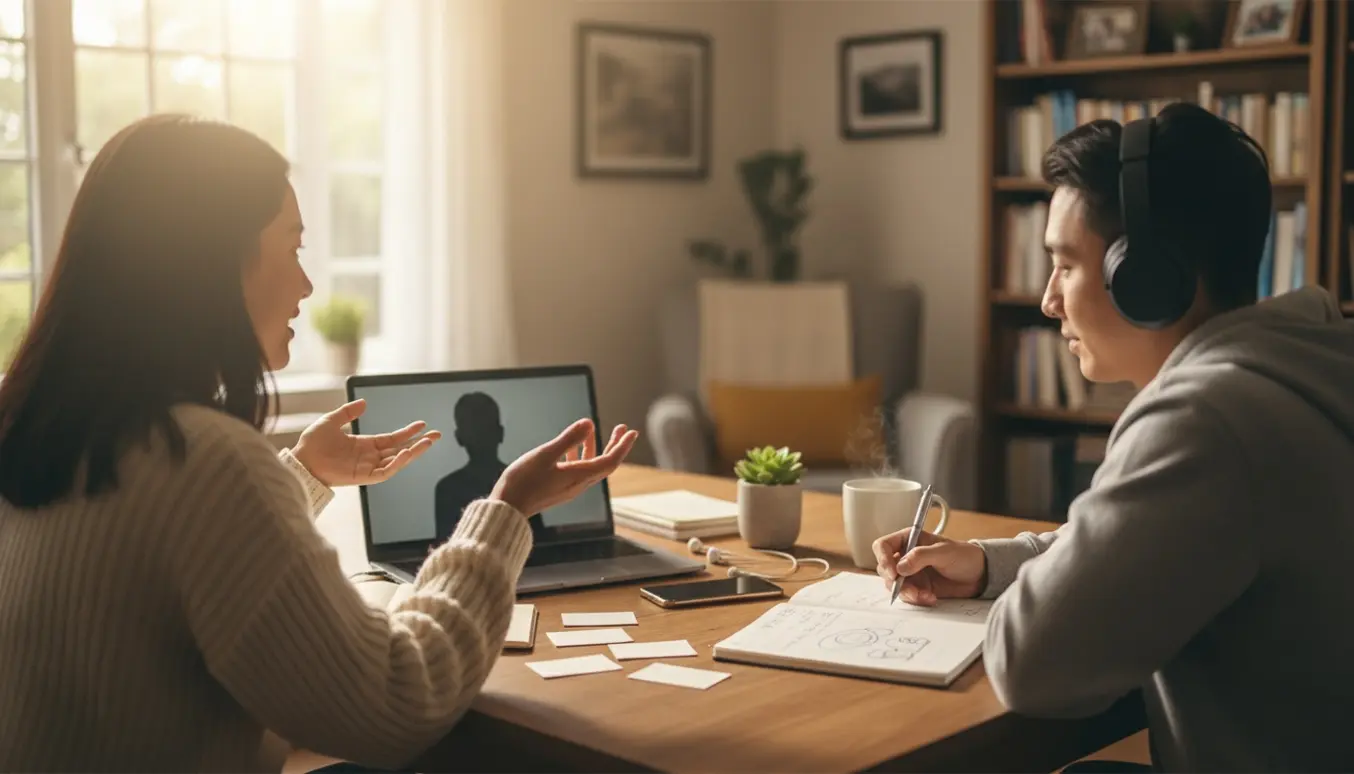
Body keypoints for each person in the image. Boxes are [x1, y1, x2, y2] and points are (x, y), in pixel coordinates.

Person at [0, 114, 638, 772]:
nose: (306, 285)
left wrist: (301, 474)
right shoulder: (205, 457)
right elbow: (397, 701)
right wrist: (505, 511)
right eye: (292, 247)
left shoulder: (37, 429)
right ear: (216, 261)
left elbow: (166, 561)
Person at [873, 103, 1354, 772]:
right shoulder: (1307, 362)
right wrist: (990, 566)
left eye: (1065, 266)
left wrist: (1029, 591)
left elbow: (1032, 664)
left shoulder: (1204, 421)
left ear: (1148, 277)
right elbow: (1152, 545)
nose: (1048, 300)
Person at [434, 392, 545, 538]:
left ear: (459, 437)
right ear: (500, 433)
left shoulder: (447, 488)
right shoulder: (521, 479)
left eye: (484, 427)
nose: (479, 435)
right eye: (474, 428)